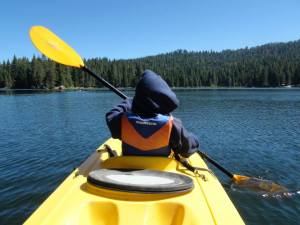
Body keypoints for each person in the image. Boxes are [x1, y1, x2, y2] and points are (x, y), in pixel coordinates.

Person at [106, 70, 199, 158]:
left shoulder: (120, 121)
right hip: (159, 171)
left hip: (129, 168)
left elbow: (111, 114)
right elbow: (188, 150)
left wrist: (130, 102)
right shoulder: (173, 125)